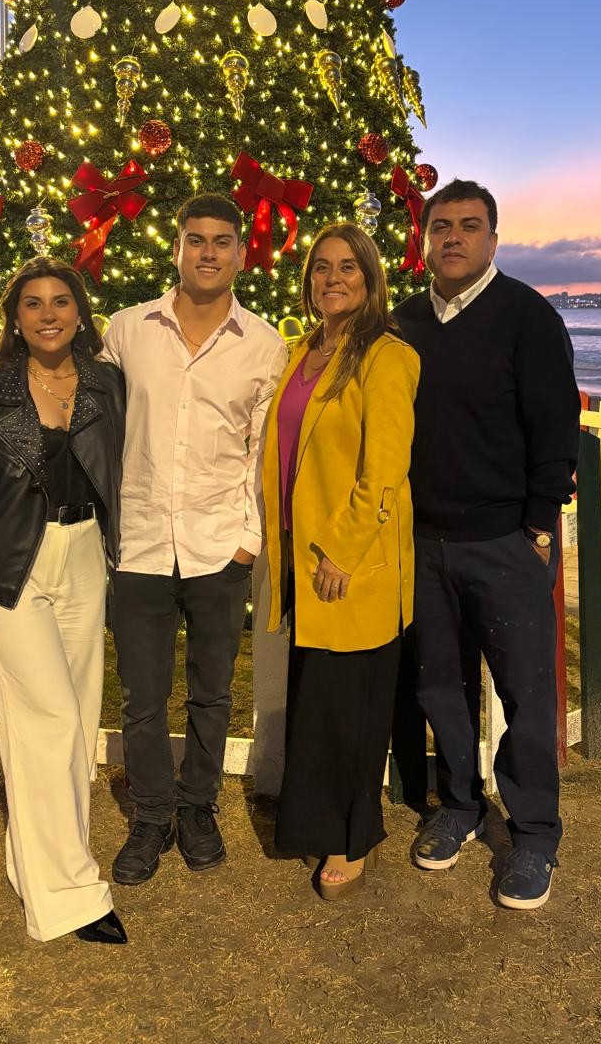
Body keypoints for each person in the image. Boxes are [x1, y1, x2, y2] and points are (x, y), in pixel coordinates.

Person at [394, 180, 579, 910]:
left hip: (506, 542)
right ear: (425, 240)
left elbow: (555, 427)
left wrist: (539, 527)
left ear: (493, 239)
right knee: (441, 687)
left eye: (469, 226)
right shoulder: (404, 322)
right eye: (441, 226)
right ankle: (461, 807)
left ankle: (533, 835)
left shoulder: (527, 316)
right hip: (423, 542)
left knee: (526, 697)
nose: (454, 238)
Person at [99, 194, 288, 885]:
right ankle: (152, 814)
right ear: (176, 246)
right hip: (140, 543)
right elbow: (97, 429)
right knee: (142, 697)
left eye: (222, 241)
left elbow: (262, 454)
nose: (208, 252)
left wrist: (248, 541)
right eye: (196, 239)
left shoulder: (263, 345)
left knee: (211, 694)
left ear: (240, 252)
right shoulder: (127, 331)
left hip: (218, 547)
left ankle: (198, 805)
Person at [0, 257, 128, 945]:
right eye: (32, 304)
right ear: (15, 318)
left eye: (60, 301)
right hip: (15, 568)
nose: (48, 314)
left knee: (74, 725)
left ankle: (36, 866)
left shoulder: (108, 383)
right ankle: (71, 895)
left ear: (79, 311)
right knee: (49, 722)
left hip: (84, 559)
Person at [262, 224, 420, 900]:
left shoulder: (387, 356)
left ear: (370, 278)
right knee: (318, 702)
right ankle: (318, 820)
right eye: (322, 267)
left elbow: (384, 471)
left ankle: (354, 837)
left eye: (348, 266)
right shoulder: (302, 351)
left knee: (351, 707)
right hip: (300, 553)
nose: (333, 278)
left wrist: (343, 550)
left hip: (348, 561)